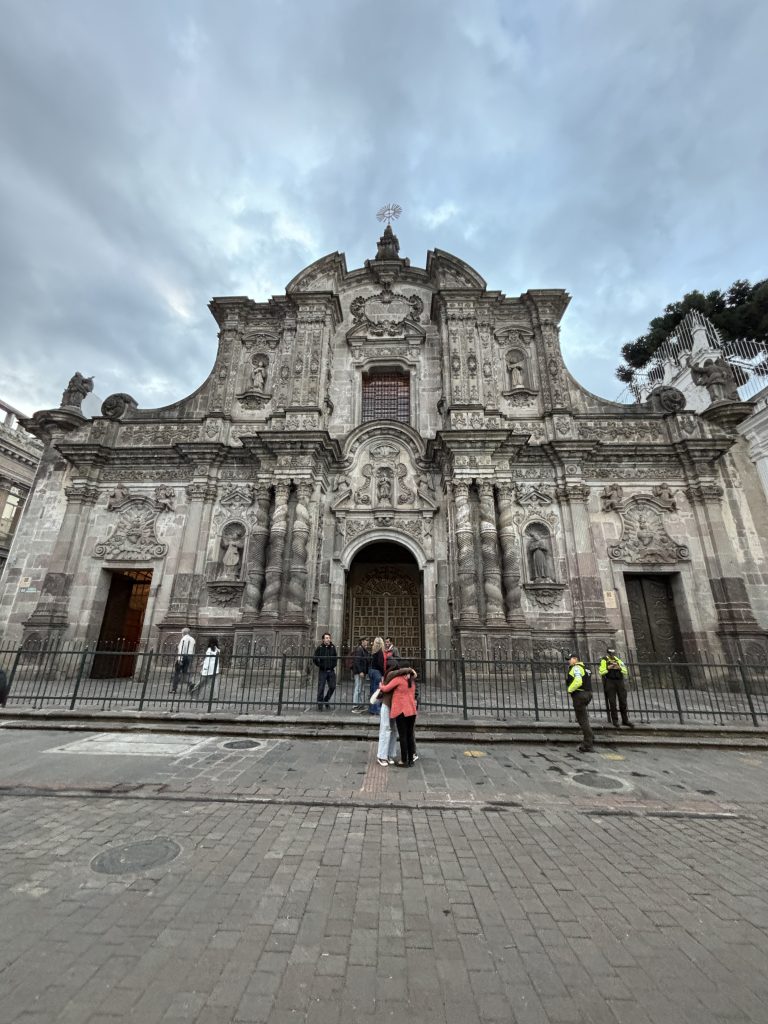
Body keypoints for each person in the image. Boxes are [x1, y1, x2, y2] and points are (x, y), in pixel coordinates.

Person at [373, 666, 419, 767]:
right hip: (411, 711)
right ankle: (410, 759)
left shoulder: (398, 679)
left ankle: (403, 759)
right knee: (408, 735)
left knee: (401, 735)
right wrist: (411, 671)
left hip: (401, 711)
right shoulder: (411, 681)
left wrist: (380, 685)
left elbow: (385, 688)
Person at [599, 648, 634, 729]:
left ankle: (625, 720)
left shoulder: (618, 660)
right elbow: (601, 671)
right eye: (610, 653)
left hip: (620, 682)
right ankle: (615, 720)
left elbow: (625, 671)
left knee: (623, 701)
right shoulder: (604, 660)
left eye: (613, 653)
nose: (611, 655)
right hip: (610, 682)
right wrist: (609, 668)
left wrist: (619, 668)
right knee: (612, 702)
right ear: (607, 653)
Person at [566, 654, 594, 753]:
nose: (569, 661)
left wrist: (569, 690)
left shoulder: (576, 668)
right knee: (583, 717)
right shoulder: (586, 668)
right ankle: (590, 737)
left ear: (575, 659)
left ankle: (588, 744)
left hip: (580, 695)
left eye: (570, 659)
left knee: (582, 720)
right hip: (588, 694)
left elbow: (578, 681)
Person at [313, 632, 338, 711]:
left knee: (333, 686)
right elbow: (315, 658)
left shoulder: (333, 647)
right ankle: (320, 703)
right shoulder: (320, 647)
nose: (328, 639)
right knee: (321, 687)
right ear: (323, 639)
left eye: (329, 638)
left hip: (331, 670)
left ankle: (326, 699)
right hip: (323, 671)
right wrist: (320, 665)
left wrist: (333, 665)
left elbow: (335, 657)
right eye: (326, 638)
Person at [171, 626, 196, 693]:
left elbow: (182, 650)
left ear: (183, 633)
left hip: (183, 657)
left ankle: (174, 689)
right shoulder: (192, 639)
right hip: (189, 657)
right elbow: (193, 649)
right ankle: (190, 684)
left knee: (177, 672)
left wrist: (179, 659)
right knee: (185, 672)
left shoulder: (183, 639)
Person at [350, 638, 370, 713]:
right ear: (362, 641)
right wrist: (360, 671)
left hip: (362, 672)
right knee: (358, 688)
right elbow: (357, 661)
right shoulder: (359, 649)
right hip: (359, 673)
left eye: (367, 641)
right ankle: (355, 706)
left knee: (361, 688)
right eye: (366, 641)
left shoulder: (364, 649)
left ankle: (360, 705)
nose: (367, 642)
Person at [368, 636, 385, 716]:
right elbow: (380, 664)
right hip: (377, 672)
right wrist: (383, 674)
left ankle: (371, 708)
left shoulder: (373, 652)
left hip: (371, 671)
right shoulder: (380, 652)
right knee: (377, 691)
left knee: (372, 690)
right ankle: (375, 709)